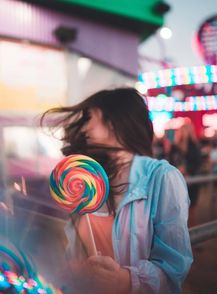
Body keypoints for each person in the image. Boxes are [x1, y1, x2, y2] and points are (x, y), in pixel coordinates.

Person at [41, 88, 193, 293]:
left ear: (113, 123)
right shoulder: (84, 178)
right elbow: (75, 250)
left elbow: (175, 266)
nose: (84, 127)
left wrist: (126, 280)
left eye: (89, 117)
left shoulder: (162, 177)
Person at [168, 120, 201, 227]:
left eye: (185, 130)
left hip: (191, 182)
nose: (182, 132)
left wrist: (187, 169)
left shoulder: (194, 146)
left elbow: (197, 163)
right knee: (179, 210)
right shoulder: (175, 147)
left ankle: (193, 237)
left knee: (191, 210)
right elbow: (169, 162)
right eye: (181, 130)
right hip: (178, 182)